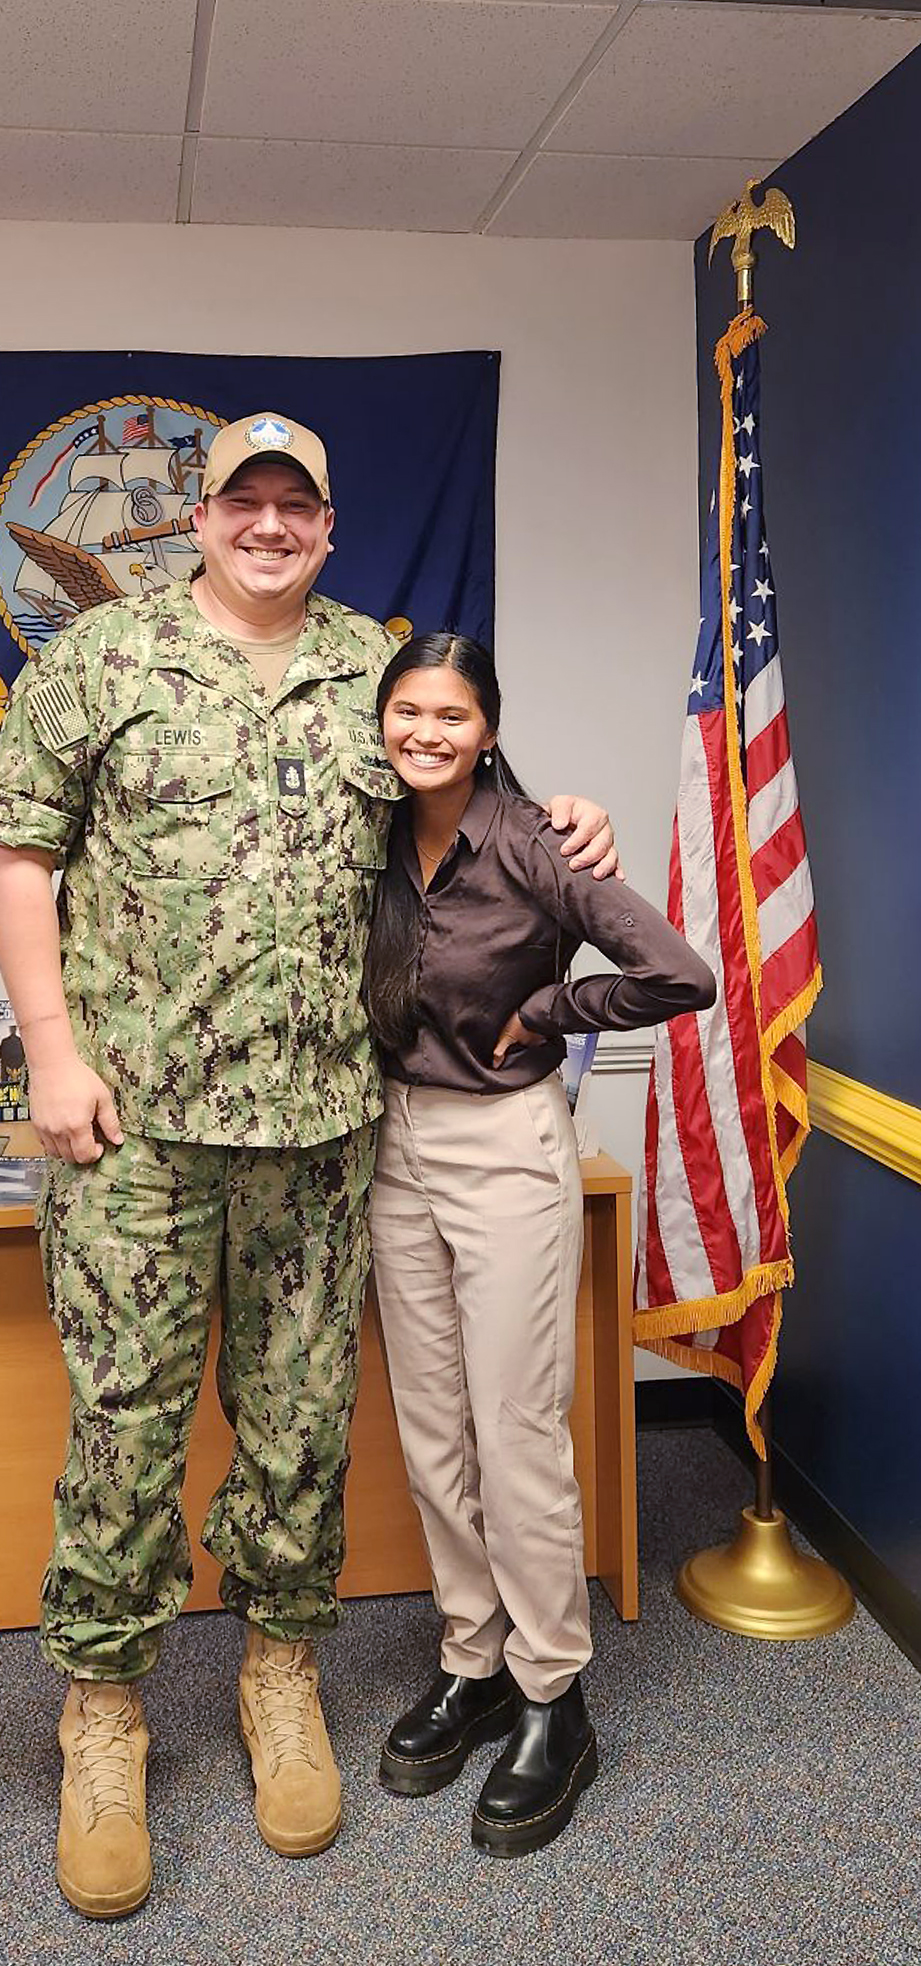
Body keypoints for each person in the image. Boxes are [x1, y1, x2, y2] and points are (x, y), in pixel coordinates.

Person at [0, 412, 618, 1918]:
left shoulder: (370, 670)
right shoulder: (97, 663)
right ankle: (106, 1714)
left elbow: (470, 807)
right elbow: (18, 852)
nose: (267, 524)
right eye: (240, 502)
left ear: (328, 528)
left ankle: (279, 1677)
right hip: (132, 1130)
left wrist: (566, 813)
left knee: (296, 1428)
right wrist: (52, 1052)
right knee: (124, 1425)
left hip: (328, 1131)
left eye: (296, 506)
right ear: (194, 521)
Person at [364, 632, 715, 1857]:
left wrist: (549, 1007)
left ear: (489, 725)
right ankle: (476, 1658)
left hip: (506, 1144)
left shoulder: (536, 840)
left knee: (517, 1427)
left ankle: (555, 1691)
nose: (425, 732)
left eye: (450, 714)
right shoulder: (373, 840)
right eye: (406, 710)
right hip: (395, 1147)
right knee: (433, 1421)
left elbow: (679, 971)